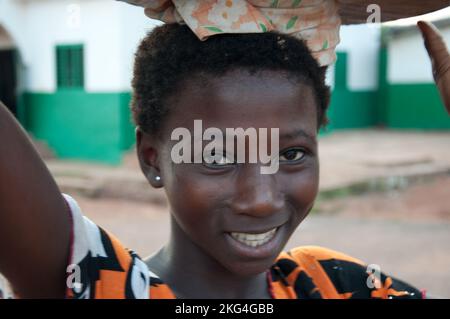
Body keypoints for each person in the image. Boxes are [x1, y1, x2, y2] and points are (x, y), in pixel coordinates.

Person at [0, 6, 449, 299]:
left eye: (291, 154)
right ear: (152, 158)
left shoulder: (338, 285)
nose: (261, 199)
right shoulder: (111, 288)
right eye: (217, 157)